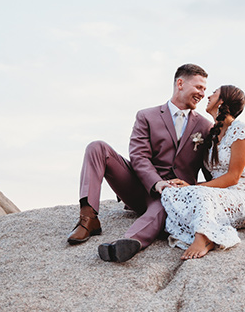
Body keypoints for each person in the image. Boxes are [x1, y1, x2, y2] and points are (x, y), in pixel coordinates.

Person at [67, 63, 214, 263]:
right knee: (97, 147)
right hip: (139, 186)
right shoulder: (147, 116)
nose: (202, 94)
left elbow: (210, 169)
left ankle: (128, 243)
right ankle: (88, 218)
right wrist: (156, 182)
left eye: (205, 89)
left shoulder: (205, 126)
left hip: (176, 195)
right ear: (180, 83)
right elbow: (138, 156)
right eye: (199, 87)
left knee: (164, 203)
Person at [160, 84, 245, 260]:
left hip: (241, 194)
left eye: (213, 93)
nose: (208, 96)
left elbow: (233, 177)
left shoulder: (240, 130)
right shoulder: (213, 134)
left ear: (221, 101)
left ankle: (204, 238)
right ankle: (204, 231)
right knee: (170, 192)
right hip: (218, 193)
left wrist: (196, 187)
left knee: (201, 193)